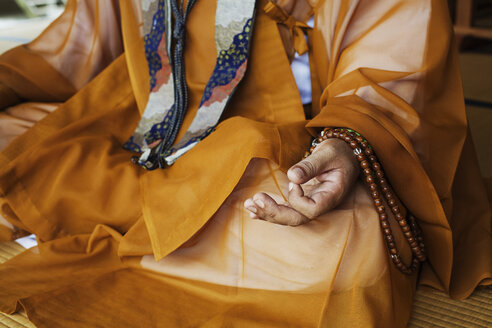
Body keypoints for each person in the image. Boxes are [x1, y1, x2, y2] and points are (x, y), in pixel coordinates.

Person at [0, 0, 490, 327]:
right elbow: (81, 45)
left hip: (300, 135)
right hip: (145, 117)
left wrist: (346, 145)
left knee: (334, 252)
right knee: (17, 138)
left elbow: (395, 61)